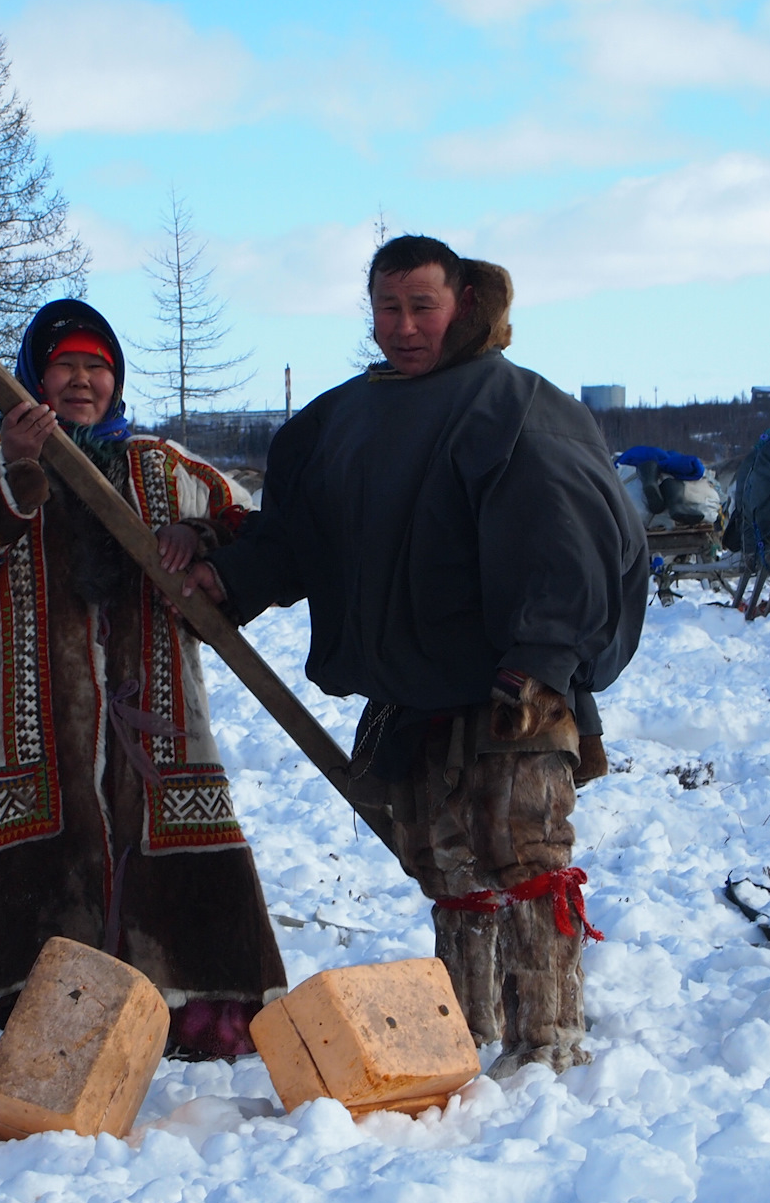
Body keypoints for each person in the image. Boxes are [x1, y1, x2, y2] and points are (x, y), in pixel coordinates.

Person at [191, 236, 648, 1076]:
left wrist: (541, 655)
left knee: (524, 848)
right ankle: (466, 1029)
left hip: (518, 682)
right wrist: (227, 574)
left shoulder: (516, 408)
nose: (404, 327)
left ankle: (549, 1036)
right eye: (388, 308)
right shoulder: (335, 423)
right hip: (412, 688)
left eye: (422, 307)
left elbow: (569, 535)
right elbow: (293, 539)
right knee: (445, 861)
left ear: (462, 304)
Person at [0, 299, 287, 1057]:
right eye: (66, 366)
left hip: (149, 714)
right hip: (6, 712)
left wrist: (198, 538)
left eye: (98, 367)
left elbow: (247, 527)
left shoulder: (161, 464)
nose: (83, 380)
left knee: (155, 839)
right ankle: (0, 1003)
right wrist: (17, 471)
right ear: (35, 375)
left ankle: (184, 1005)